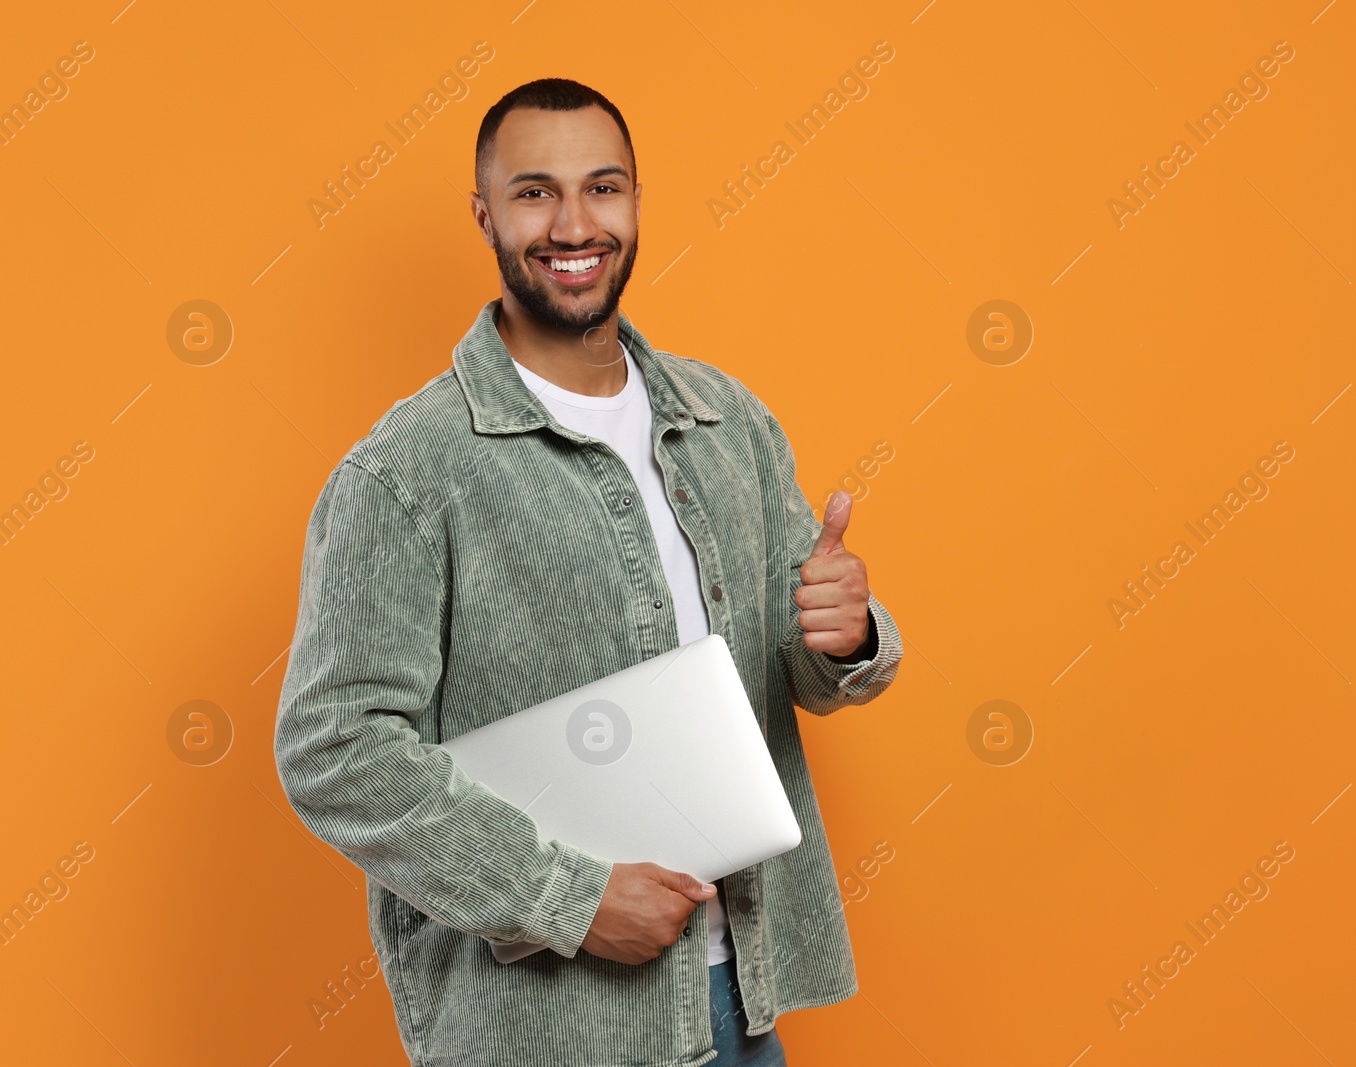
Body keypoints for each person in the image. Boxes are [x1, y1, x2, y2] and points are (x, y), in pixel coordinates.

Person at [272, 77, 903, 1067]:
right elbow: (334, 747)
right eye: (534, 192)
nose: (574, 223)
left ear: (637, 203)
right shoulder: (406, 470)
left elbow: (809, 667)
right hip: (550, 1033)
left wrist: (848, 631)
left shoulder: (725, 417)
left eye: (602, 188)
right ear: (484, 214)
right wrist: (569, 897)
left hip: (744, 997)